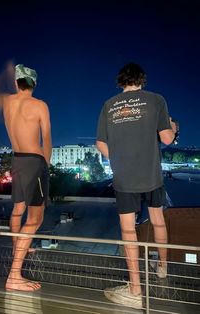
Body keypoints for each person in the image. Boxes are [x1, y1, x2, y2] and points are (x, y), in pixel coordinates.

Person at [96, 63, 177, 309]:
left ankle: (135, 290)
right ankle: (162, 268)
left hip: (125, 178)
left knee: (128, 231)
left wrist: (118, 160)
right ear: (142, 79)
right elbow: (166, 139)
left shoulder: (109, 105)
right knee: (158, 221)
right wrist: (173, 127)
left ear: (120, 81)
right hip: (151, 174)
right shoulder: (156, 100)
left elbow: (100, 143)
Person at [0, 62, 52, 291]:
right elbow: (47, 139)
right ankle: (15, 275)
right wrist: (46, 164)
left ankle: (19, 248)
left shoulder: (8, 102)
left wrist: (5, 73)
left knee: (18, 209)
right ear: (34, 83)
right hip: (34, 162)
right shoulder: (40, 105)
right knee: (35, 218)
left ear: (17, 82)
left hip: (17, 160)